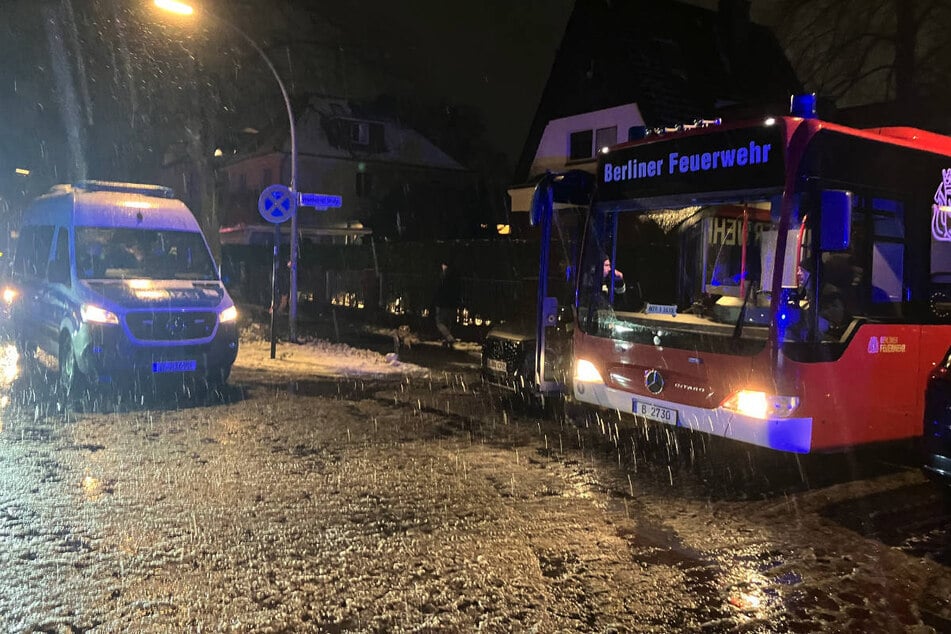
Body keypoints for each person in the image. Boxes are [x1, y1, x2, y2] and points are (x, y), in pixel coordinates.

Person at [433, 261, 460, 348]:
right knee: (447, 322)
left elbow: (438, 290)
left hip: (442, 304)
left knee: (440, 322)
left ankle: (449, 337)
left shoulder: (443, 277)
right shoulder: (454, 277)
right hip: (451, 304)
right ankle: (447, 338)